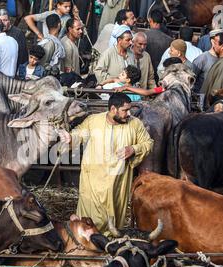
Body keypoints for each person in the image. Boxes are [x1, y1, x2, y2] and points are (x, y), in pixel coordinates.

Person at [61, 93, 153, 236]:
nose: (128, 114)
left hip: (117, 181)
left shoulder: (134, 124)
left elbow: (148, 143)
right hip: (92, 180)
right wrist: (70, 137)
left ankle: (111, 242)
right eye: (125, 110)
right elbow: (79, 133)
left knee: (113, 217)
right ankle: (87, 240)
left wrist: (133, 149)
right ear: (113, 109)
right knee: (89, 216)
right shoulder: (93, 121)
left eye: (129, 110)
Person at [143, 10, 173, 81]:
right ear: (162, 21)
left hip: (145, 72)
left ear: (150, 20)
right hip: (161, 74)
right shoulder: (169, 39)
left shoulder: (143, 36)